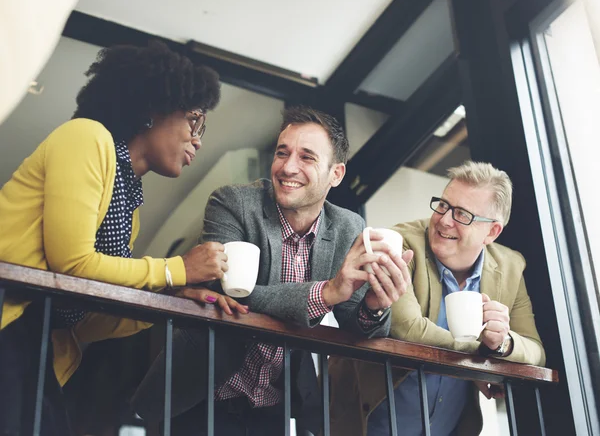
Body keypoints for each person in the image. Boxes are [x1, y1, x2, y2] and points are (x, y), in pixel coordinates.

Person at [0, 41, 247, 436]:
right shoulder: (86, 138)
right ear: (153, 108)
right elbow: (73, 264)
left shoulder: (128, 196)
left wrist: (165, 298)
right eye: (194, 120)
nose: (197, 139)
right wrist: (175, 269)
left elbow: (86, 312)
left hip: (38, 345)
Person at [131, 106, 414, 435]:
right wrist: (327, 293)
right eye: (283, 152)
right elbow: (229, 293)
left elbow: (357, 320)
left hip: (275, 406)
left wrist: (375, 306)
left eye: (306, 157)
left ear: (336, 174)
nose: (288, 166)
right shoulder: (232, 203)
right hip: (201, 392)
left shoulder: (348, 226)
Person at [329, 161, 546, 436]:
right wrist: (483, 358)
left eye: (461, 214)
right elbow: (407, 329)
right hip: (369, 420)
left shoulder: (511, 267)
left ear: (492, 232)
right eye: (443, 205)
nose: (444, 220)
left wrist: (503, 342)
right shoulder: (401, 242)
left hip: (447, 428)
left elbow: (535, 350)